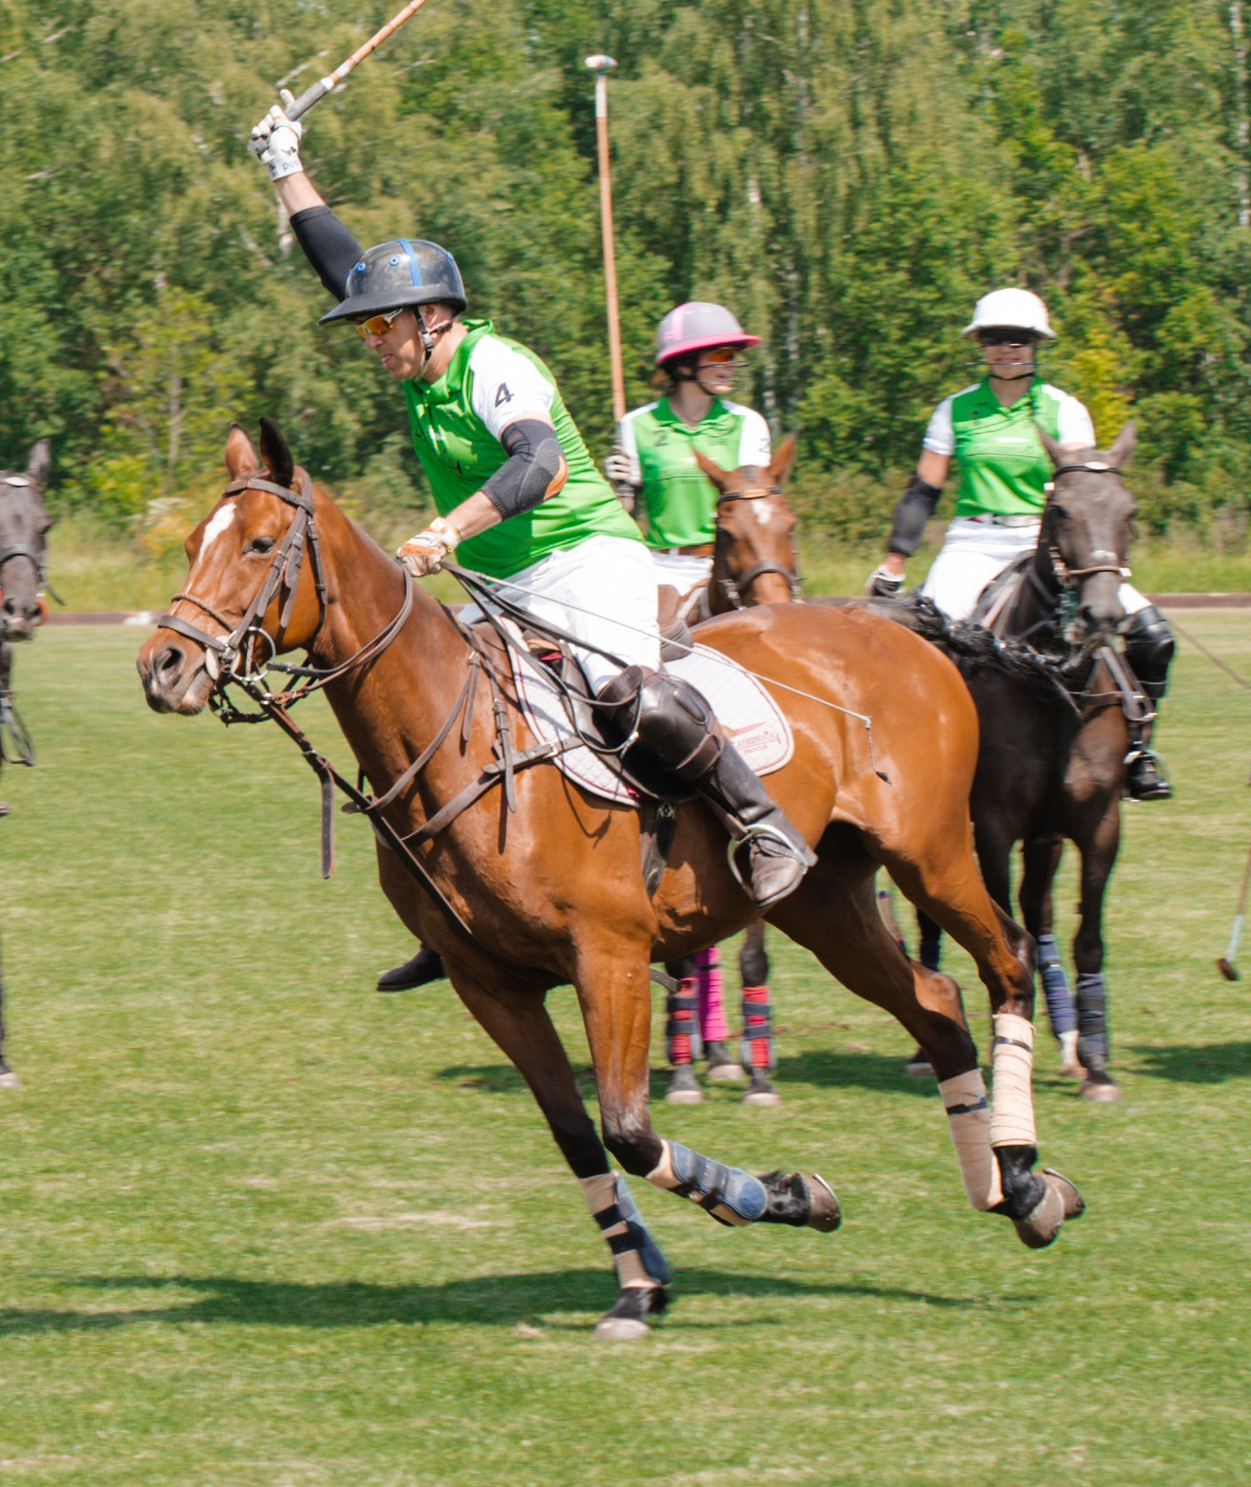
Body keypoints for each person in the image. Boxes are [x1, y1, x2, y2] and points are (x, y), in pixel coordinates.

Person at [248, 104, 815, 1000]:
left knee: (626, 697)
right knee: (425, 718)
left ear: (430, 318)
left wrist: (446, 529)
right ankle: (454, 913)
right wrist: (284, 164)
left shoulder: (491, 366)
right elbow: (341, 264)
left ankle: (763, 825)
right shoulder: (420, 359)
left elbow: (539, 464)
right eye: (363, 329)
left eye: (377, 328)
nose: (369, 340)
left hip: (587, 557)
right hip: (502, 582)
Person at [870, 288, 1175, 802]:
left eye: (1018, 340)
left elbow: (1081, 490)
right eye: (994, 339)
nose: (1006, 349)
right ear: (980, 345)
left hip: (1051, 546)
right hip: (973, 542)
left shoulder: (1064, 410)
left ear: (1036, 346)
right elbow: (924, 490)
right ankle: (928, 758)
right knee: (932, 639)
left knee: (1152, 635)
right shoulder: (955, 411)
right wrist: (894, 562)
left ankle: (1137, 751)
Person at [603, 301, 772, 601]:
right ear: (683, 364)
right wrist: (618, 490)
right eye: (721, 355)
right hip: (662, 569)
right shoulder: (636, 425)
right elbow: (623, 515)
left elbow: (756, 511)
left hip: (731, 567)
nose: (731, 365)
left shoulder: (747, 423)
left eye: (733, 356)